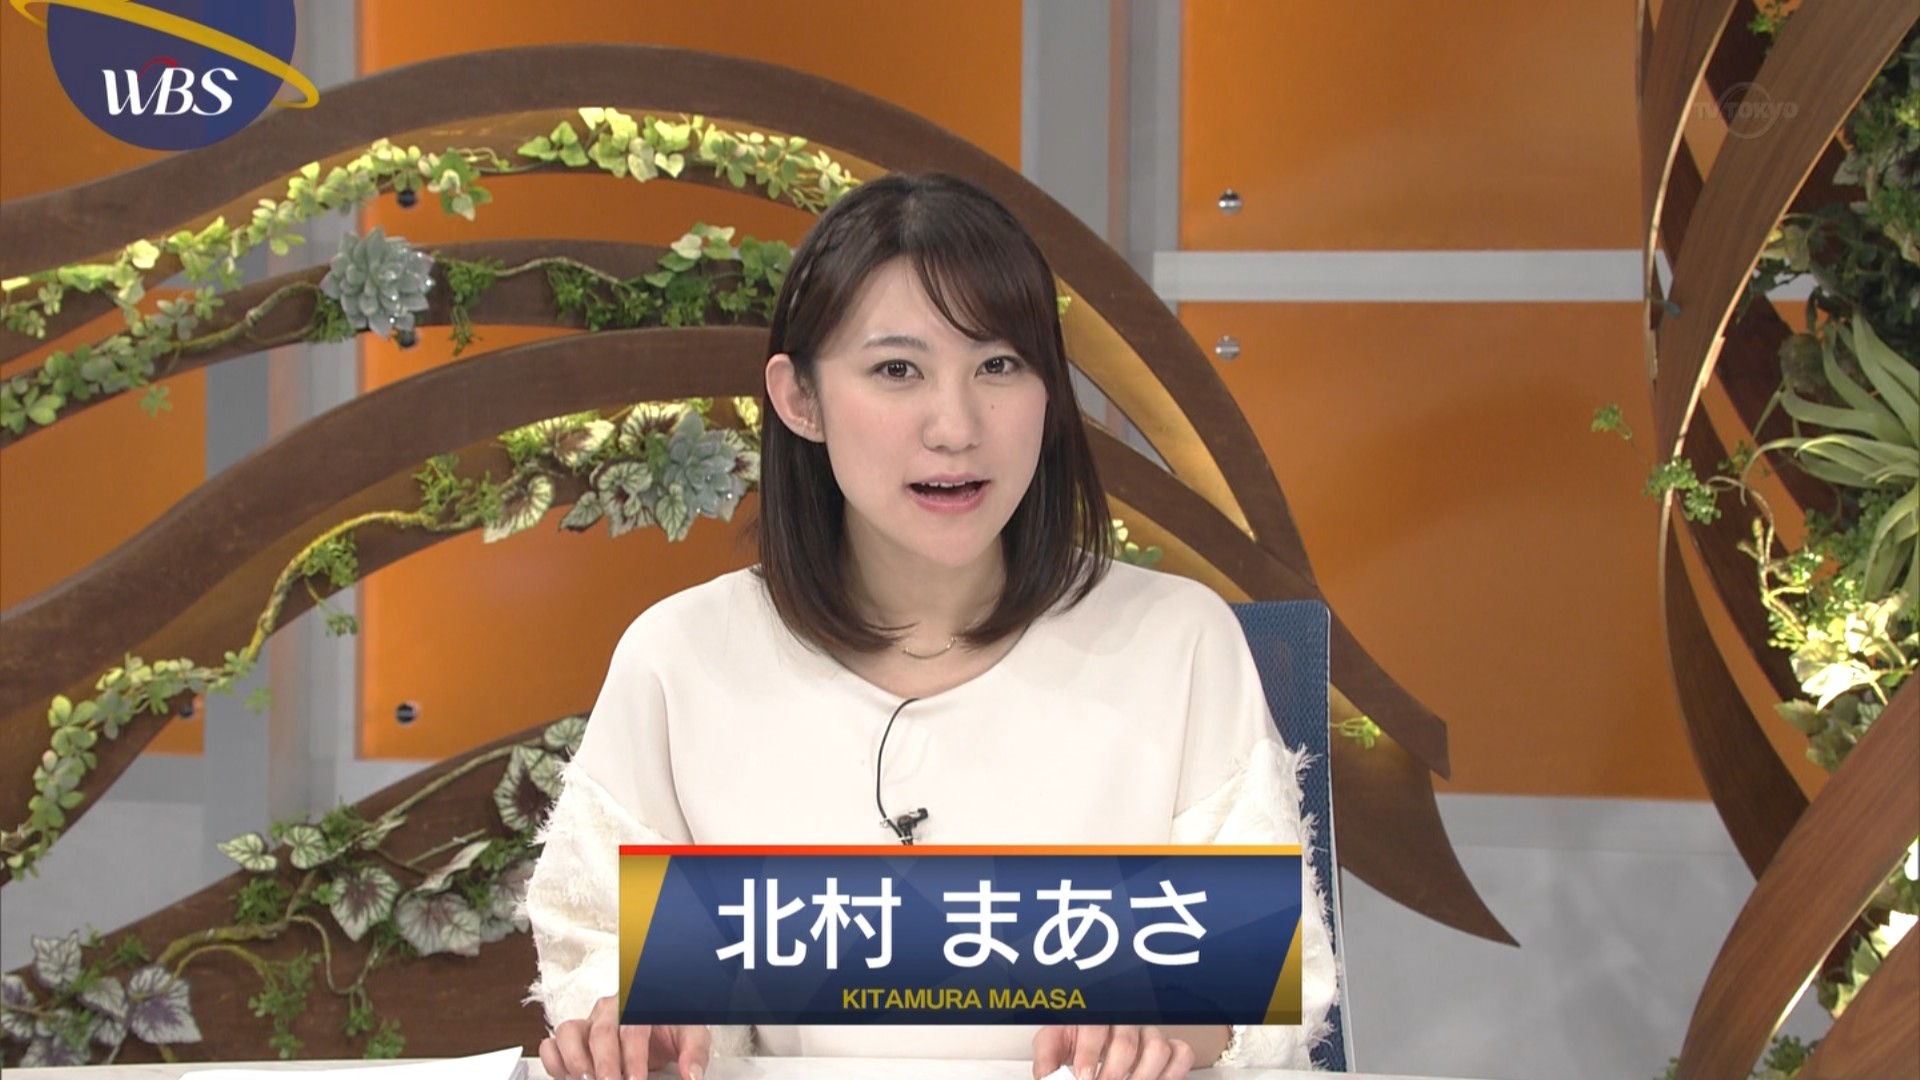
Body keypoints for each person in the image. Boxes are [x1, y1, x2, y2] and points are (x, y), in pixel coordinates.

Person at [523, 173, 1337, 1080]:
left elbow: (1265, 984)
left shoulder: (1178, 643)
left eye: (1000, 366)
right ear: (799, 399)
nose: (955, 427)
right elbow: (602, 949)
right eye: (897, 371)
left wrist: (1175, 1024)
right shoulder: (681, 660)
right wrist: (648, 1022)